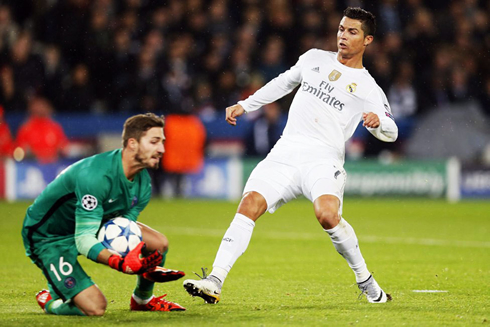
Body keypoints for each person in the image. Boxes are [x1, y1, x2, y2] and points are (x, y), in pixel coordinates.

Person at [183, 7, 398, 304]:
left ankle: (366, 281)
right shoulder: (313, 59)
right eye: (340, 29)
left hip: (324, 158)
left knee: (327, 215)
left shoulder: (368, 86)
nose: (343, 36)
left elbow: (392, 130)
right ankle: (215, 280)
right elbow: (282, 83)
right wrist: (245, 105)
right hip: (286, 151)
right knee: (249, 204)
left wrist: (379, 123)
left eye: (352, 32)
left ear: (368, 40)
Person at [21, 113, 186, 316]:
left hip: (92, 223)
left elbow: (122, 230)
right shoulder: (96, 176)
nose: (161, 149)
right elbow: (83, 240)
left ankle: (143, 300)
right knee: (95, 308)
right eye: (154, 142)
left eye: (162, 142)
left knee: (159, 244)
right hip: (49, 236)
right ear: (132, 144)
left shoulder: (143, 183)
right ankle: (50, 302)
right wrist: (119, 263)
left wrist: (147, 269)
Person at [15, 96, 68, 164]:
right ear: (31, 108)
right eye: (37, 106)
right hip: (33, 165)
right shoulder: (25, 128)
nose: (40, 108)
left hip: (53, 165)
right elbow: (20, 151)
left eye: (42, 105)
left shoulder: (55, 127)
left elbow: (64, 148)